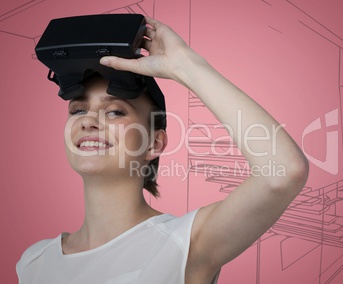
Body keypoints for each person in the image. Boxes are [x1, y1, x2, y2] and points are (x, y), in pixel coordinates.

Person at [16, 16, 309, 283]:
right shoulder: (34, 262)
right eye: (78, 110)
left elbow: (282, 173)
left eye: (116, 112)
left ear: (154, 143)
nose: (89, 121)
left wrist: (184, 64)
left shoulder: (183, 244)